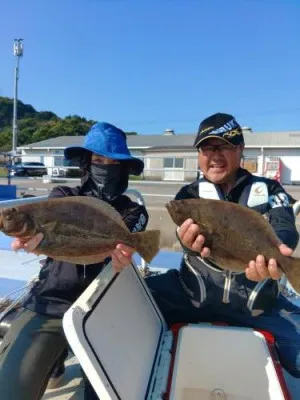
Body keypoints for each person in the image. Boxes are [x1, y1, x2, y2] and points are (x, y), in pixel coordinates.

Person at [0, 122, 148, 399]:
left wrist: (123, 256)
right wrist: (34, 243)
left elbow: (130, 238)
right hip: (51, 300)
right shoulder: (62, 196)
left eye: (114, 162)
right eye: (98, 160)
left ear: (125, 168)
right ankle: (53, 364)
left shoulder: (134, 210)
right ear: (86, 163)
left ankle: (60, 365)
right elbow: (48, 227)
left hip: (104, 306)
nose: (106, 167)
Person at [146, 112, 300, 378]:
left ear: (240, 149)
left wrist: (280, 253)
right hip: (193, 299)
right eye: (207, 147)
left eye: (225, 146)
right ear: (199, 153)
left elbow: (283, 224)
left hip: (258, 306)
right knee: (132, 309)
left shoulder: (269, 190)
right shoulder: (189, 195)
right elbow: (187, 238)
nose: (215, 155)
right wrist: (185, 243)